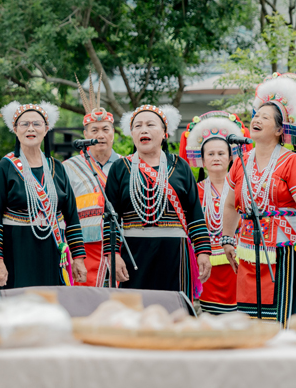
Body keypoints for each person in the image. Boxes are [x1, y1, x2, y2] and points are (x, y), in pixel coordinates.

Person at [221, 73, 296, 326]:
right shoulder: (240, 162)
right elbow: (230, 204)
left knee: (283, 314)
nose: (256, 119)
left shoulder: (293, 162)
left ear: (280, 129)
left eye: (264, 118)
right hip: (247, 248)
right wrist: (227, 239)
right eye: (256, 115)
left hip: (285, 250)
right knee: (248, 314)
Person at [105, 105, 211, 300]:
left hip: (174, 254)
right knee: (134, 309)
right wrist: (113, 255)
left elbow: (195, 214)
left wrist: (203, 251)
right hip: (133, 253)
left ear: (164, 133)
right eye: (137, 126)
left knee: (174, 309)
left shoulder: (180, 166)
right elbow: (110, 218)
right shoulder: (120, 168)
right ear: (132, 134)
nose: (143, 129)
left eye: (150, 124)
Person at [0, 101, 87, 288]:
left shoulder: (57, 167)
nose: (30, 128)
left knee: (52, 299)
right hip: (16, 248)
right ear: (15, 129)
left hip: (52, 248)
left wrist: (78, 257)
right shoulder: (5, 168)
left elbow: (72, 216)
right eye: (24, 124)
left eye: (36, 124)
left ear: (46, 129)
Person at [63, 72, 129, 287]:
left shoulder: (127, 165)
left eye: (105, 129)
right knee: (86, 296)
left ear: (113, 133)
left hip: (121, 240)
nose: (100, 134)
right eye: (94, 130)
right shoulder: (68, 167)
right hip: (84, 243)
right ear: (85, 133)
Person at [181, 111, 245, 315]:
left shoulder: (243, 188)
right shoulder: (195, 191)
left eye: (221, 153)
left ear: (231, 157)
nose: (216, 158)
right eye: (210, 154)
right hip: (207, 261)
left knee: (241, 313)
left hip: (238, 261)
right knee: (211, 314)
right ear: (202, 159)